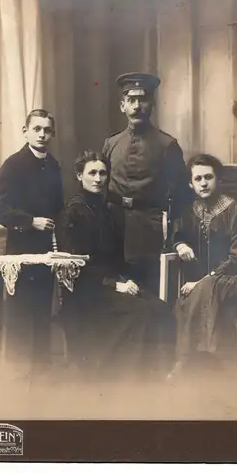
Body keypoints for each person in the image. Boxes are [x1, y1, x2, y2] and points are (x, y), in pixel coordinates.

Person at [58, 150, 175, 383]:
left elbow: (114, 258)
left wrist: (124, 279)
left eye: (103, 173)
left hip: (110, 283)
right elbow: (76, 265)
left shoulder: (108, 211)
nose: (98, 178)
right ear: (79, 176)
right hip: (86, 291)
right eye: (92, 173)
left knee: (160, 307)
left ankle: (156, 374)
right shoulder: (73, 213)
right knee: (139, 312)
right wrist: (115, 285)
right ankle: (125, 379)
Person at [0, 109, 64, 374]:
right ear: (26, 131)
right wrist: (30, 220)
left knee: (43, 309)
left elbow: (58, 207)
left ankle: (42, 370)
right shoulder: (14, 164)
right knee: (22, 311)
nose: (42, 135)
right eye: (37, 129)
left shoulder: (53, 164)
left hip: (46, 250)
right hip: (20, 250)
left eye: (47, 130)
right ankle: (18, 372)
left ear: (52, 134)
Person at [102, 72, 191, 295]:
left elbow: (181, 196)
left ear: (151, 105)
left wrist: (176, 237)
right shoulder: (111, 144)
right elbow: (102, 188)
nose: (137, 106)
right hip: (115, 226)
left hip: (149, 230)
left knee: (148, 292)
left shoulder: (167, 145)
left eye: (142, 100)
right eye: (131, 100)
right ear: (122, 106)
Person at [169, 154, 237, 377]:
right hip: (205, 281)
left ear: (218, 180)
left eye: (208, 177)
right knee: (188, 297)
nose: (203, 183)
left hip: (235, 279)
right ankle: (189, 360)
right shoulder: (191, 210)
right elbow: (178, 235)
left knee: (205, 289)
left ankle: (198, 362)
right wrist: (180, 244)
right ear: (191, 183)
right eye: (198, 179)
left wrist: (206, 279)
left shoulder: (235, 209)